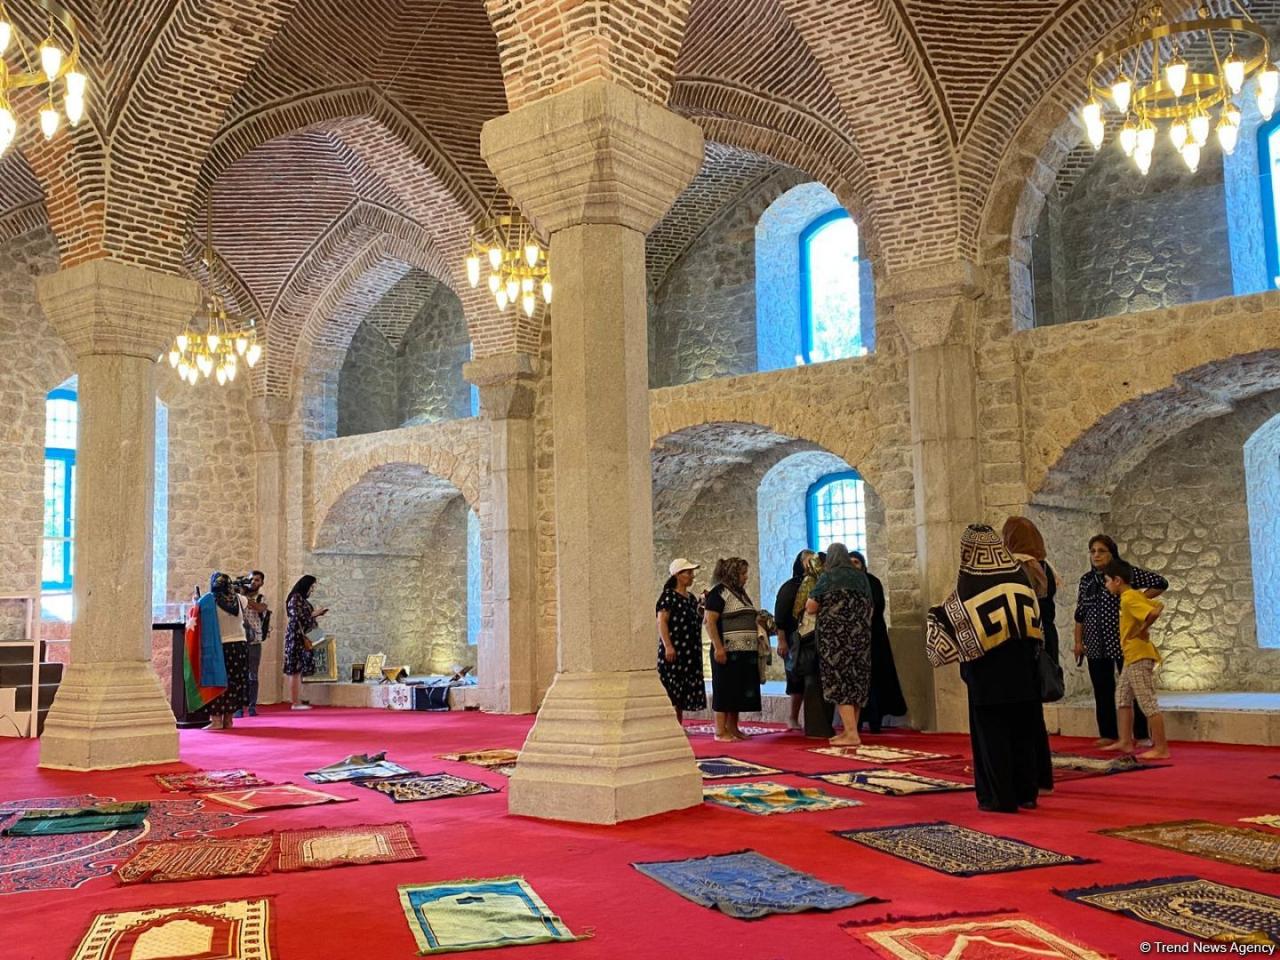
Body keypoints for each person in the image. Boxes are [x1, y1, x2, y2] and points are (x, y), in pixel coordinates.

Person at [927, 524, 1043, 813]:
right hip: (1024, 669)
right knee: (1023, 733)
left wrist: (934, 615)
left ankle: (999, 797)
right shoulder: (1019, 576)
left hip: (989, 673)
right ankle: (1026, 793)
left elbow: (948, 625)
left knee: (992, 736)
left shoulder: (970, 583)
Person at [1073, 535, 1167, 746]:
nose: (1096, 555)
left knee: (1136, 689)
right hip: (1096, 641)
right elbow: (1080, 613)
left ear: (1111, 553)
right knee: (1103, 687)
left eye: (1101, 551)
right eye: (1093, 551)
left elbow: (1161, 583)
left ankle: (1141, 734)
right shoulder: (1086, 580)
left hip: (1123, 641)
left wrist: (1140, 599)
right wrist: (1078, 641)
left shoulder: (1125, 574)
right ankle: (1109, 733)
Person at [1002, 517, 1057, 791]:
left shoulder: (1019, 566)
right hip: (1045, 638)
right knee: (1033, 714)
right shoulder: (1045, 566)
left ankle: (1031, 776)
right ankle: (1042, 776)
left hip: (1028, 643)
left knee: (1027, 715)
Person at [805, 542, 874, 747]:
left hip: (834, 640)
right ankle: (850, 731)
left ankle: (852, 734)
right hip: (861, 638)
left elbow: (811, 606)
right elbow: (871, 605)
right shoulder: (861, 578)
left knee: (840, 682)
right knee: (856, 682)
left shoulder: (829, 578)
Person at [1101, 560, 1171, 760]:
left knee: (1146, 700)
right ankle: (1124, 741)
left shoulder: (1128, 598)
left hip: (1139, 655)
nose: (1106, 585)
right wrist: (1143, 627)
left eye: (1107, 581)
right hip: (1131, 655)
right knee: (1122, 696)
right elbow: (1158, 604)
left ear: (1117, 580)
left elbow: (1154, 611)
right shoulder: (1134, 596)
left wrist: (1143, 628)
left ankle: (1161, 747)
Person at [704, 557, 765, 741]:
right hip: (727, 651)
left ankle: (734, 727)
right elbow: (709, 622)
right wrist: (718, 647)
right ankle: (720, 731)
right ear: (733, 574)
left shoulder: (742, 594)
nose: (746, 577)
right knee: (724, 689)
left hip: (745, 653)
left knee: (737, 691)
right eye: (742, 573)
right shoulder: (719, 592)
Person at [850, 550, 907, 733]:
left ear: (863, 565)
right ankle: (856, 723)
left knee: (876, 680)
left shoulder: (872, 582)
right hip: (854, 641)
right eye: (849, 563)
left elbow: (876, 607)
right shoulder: (847, 585)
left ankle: (875, 720)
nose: (853, 566)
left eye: (856, 563)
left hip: (874, 639)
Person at [656, 558, 707, 723]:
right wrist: (668, 645)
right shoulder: (668, 596)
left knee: (683, 689)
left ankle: (679, 723)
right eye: (688, 573)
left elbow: (695, 620)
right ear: (678, 575)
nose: (692, 576)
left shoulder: (690, 598)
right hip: (675, 649)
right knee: (673, 687)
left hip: (689, 651)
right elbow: (662, 621)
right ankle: (672, 724)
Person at [203, 572, 250, 730]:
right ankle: (228, 720)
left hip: (220, 646)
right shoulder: (240, 599)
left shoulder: (209, 601)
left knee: (218, 682)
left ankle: (216, 720)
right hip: (240, 646)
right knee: (234, 683)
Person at [773, 550, 814, 730]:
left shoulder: (818, 583)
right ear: (800, 563)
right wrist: (781, 641)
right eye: (809, 561)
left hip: (812, 639)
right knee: (795, 678)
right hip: (793, 638)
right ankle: (792, 717)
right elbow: (780, 616)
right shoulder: (790, 587)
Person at [284, 574, 328, 710]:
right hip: (296, 637)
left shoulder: (300, 599)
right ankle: (295, 702)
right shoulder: (295, 598)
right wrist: (315, 614)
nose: (312, 590)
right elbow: (297, 616)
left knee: (299, 669)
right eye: (311, 587)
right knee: (295, 670)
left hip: (301, 636)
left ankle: (298, 699)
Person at [234, 570, 269, 719]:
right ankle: (238, 707)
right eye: (251, 579)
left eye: (257, 580)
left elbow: (261, 608)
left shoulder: (261, 597)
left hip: (255, 639)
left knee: (252, 675)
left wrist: (243, 598)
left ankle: (252, 706)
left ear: (261, 583)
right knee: (239, 675)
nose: (253, 582)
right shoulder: (238, 595)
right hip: (239, 638)